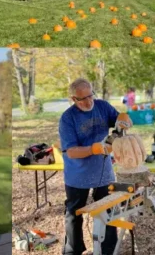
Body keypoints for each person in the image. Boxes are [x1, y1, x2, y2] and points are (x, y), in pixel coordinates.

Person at [59, 78, 132, 255]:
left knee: (107, 211)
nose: (88, 101)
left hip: (103, 171)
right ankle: (72, 250)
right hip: (78, 174)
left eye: (90, 95)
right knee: (74, 214)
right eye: (82, 98)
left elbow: (119, 123)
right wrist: (94, 148)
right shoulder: (67, 118)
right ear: (73, 99)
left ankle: (108, 250)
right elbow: (71, 152)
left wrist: (124, 121)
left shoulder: (102, 106)